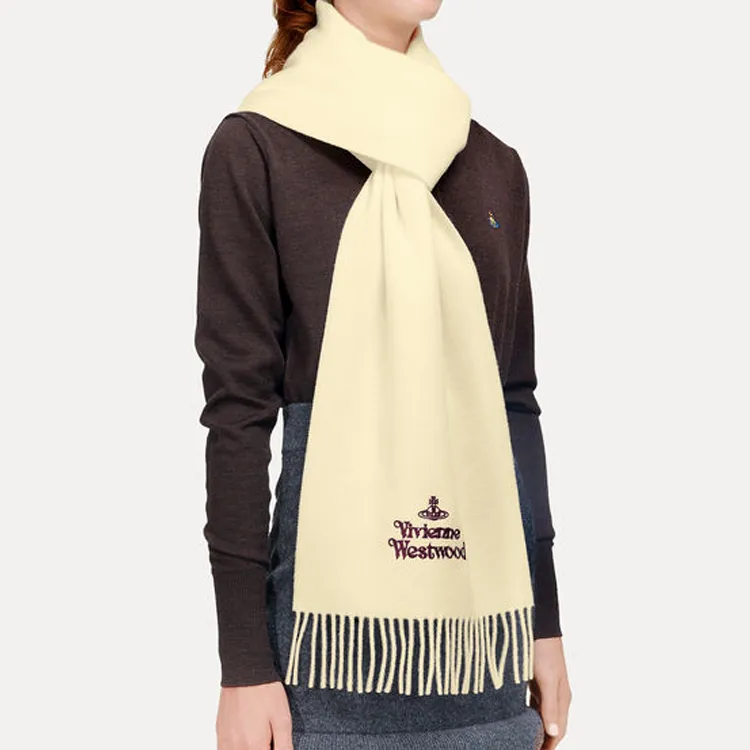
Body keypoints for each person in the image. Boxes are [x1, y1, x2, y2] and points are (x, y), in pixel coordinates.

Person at [193, 1, 572, 748]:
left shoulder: (494, 165)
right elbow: (238, 412)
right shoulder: (258, 146)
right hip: (324, 662)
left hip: (486, 651)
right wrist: (243, 666)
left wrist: (546, 622)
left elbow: (513, 404)